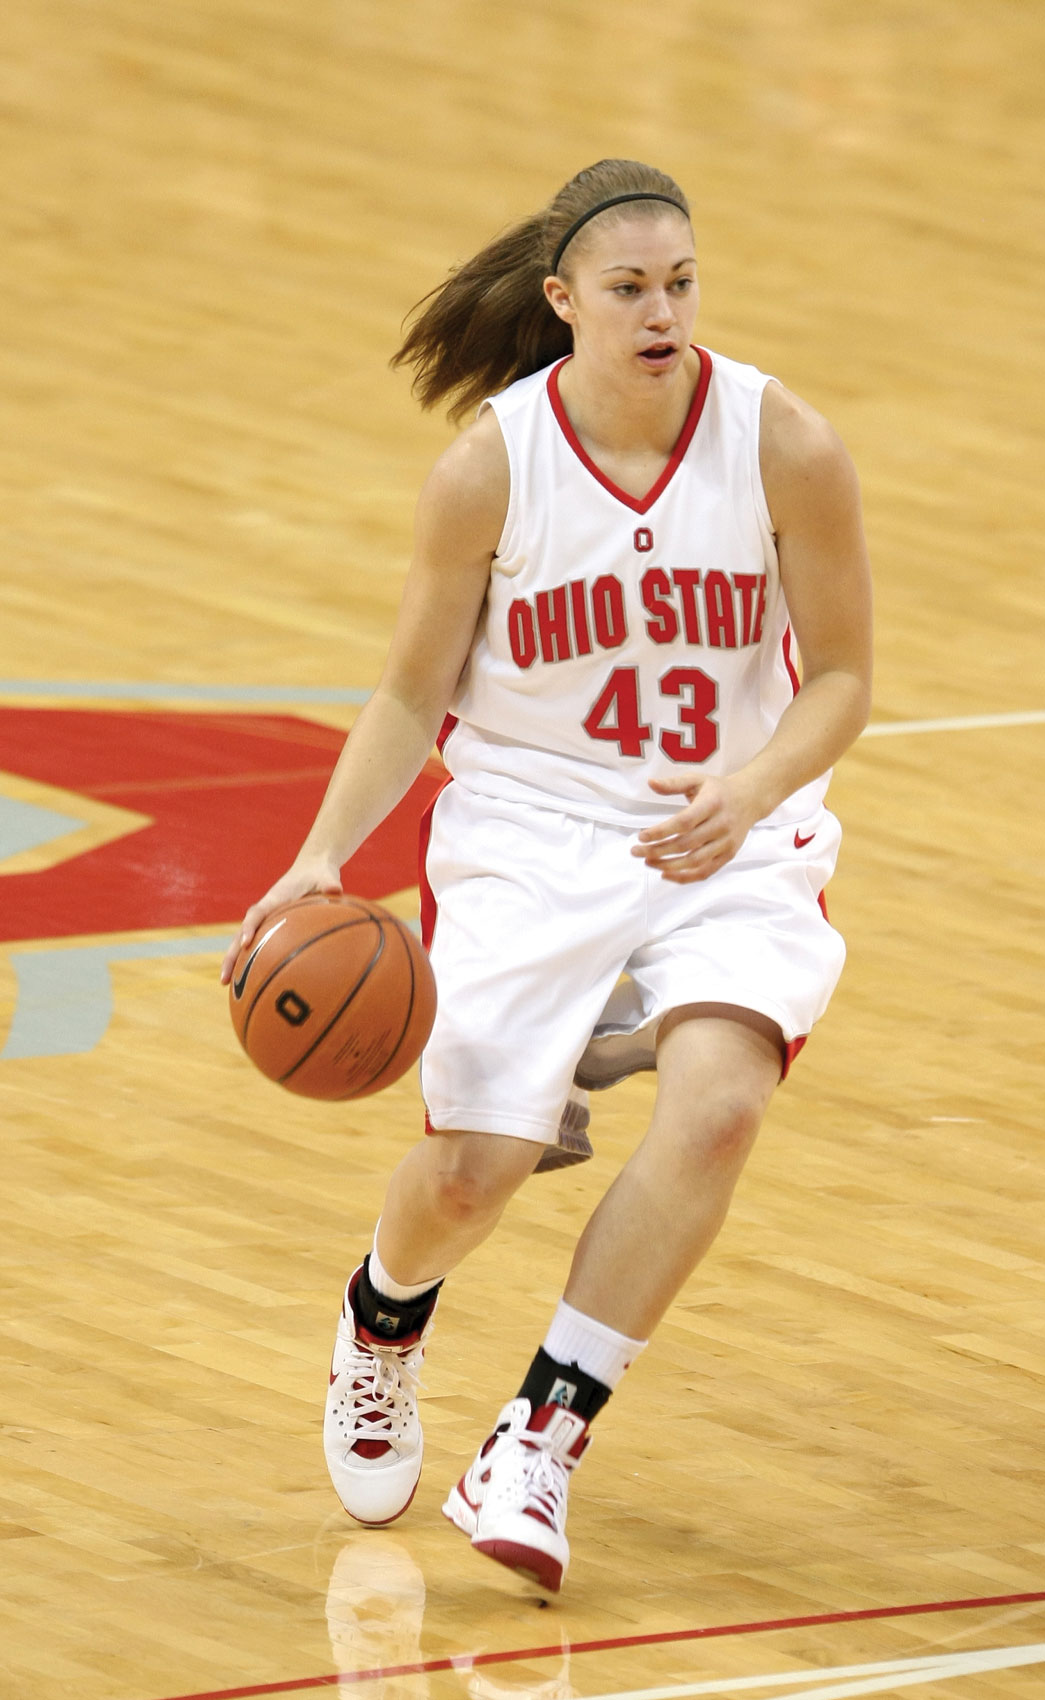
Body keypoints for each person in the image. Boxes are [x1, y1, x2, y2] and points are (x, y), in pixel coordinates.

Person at [221, 158, 872, 1593]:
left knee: (719, 1113)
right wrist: (321, 855)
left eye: (682, 284)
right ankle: (386, 1319)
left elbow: (843, 680)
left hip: (732, 826)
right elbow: (407, 701)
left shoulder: (784, 444)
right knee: (475, 1173)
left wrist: (752, 788)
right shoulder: (489, 469)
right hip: (528, 827)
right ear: (562, 302)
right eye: (631, 289)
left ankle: (537, 1440)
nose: (662, 314)